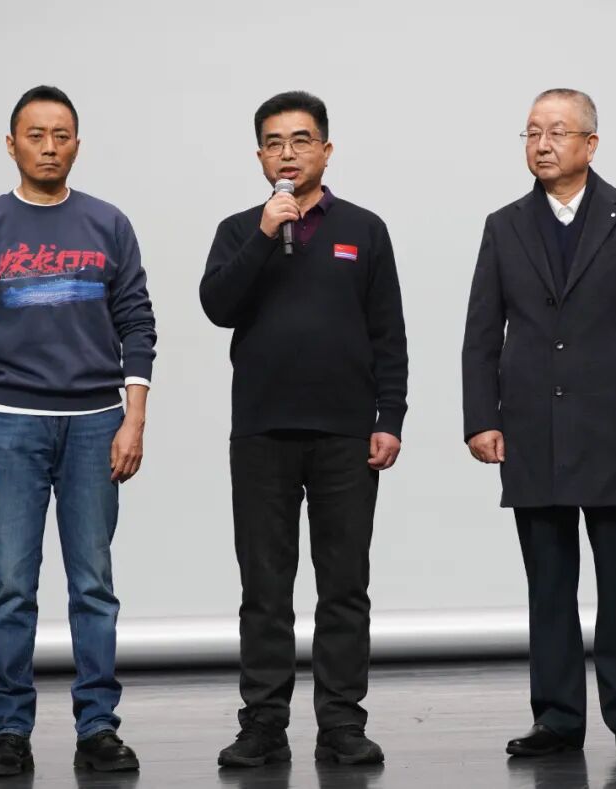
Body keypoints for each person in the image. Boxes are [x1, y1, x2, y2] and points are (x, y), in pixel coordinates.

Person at [461, 88, 616, 757]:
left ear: (591, 144)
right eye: (532, 132)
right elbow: (481, 334)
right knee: (549, 583)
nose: (542, 144)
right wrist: (481, 417)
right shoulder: (504, 225)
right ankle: (557, 716)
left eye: (557, 131)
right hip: (532, 427)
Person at [0, 85, 155, 777]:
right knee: (12, 584)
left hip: (96, 424)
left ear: (77, 145)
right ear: (12, 144)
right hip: (9, 424)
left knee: (93, 584)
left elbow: (137, 323)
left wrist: (133, 418)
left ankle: (98, 726)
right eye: (35, 134)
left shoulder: (108, 223)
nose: (49, 146)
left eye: (61, 135)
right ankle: (10, 730)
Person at [200, 90, 408, 768]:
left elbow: (388, 334)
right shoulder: (240, 229)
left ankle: (342, 722)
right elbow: (218, 305)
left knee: (344, 585)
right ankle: (263, 724)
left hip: (346, 433)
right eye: (273, 143)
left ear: (326, 149)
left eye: (300, 140)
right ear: (260, 156)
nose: (287, 153)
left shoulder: (365, 229)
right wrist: (264, 234)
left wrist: (389, 418)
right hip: (262, 431)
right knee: (264, 588)